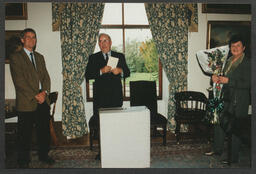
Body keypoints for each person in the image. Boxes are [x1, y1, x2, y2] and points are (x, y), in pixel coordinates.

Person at [9, 28, 54, 168]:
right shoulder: (16, 57)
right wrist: (36, 95)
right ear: (22, 40)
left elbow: (46, 77)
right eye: (28, 37)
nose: (32, 40)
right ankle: (23, 160)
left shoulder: (40, 57)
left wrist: (44, 93)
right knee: (25, 134)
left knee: (43, 131)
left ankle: (43, 155)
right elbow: (19, 82)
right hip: (27, 100)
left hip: (42, 99)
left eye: (34, 37)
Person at [205, 34, 251, 164]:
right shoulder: (227, 61)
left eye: (238, 45)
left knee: (235, 129)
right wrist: (214, 78)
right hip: (224, 98)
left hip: (239, 101)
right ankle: (217, 149)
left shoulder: (248, 63)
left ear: (243, 48)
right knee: (219, 123)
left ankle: (233, 157)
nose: (235, 48)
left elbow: (248, 83)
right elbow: (219, 77)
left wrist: (228, 80)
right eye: (233, 46)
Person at [85, 33, 130, 159]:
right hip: (100, 99)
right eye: (100, 41)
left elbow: (128, 72)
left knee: (116, 126)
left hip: (115, 98)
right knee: (102, 128)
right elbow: (87, 75)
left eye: (105, 40)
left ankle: (116, 149)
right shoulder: (93, 58)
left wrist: (120, 70)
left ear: (110, 42)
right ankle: (102, 152)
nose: (103, 43)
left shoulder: (119, 56)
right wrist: (101, 71)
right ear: (98, 44)